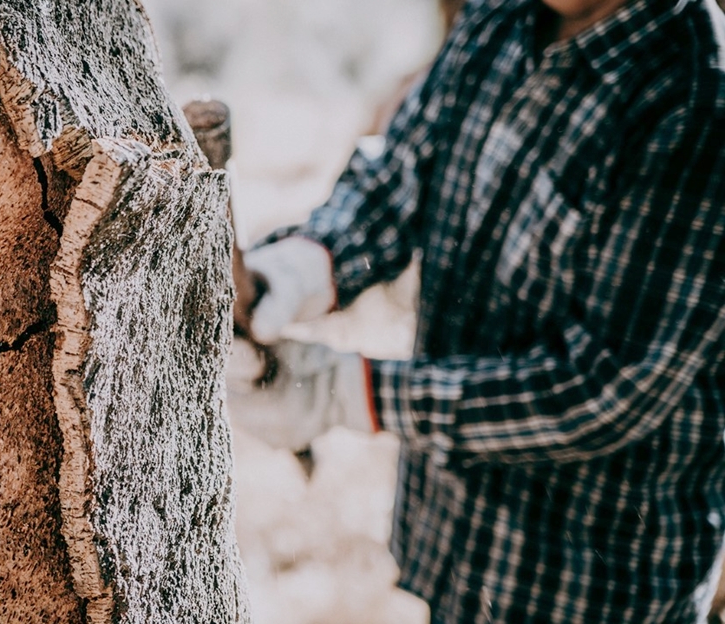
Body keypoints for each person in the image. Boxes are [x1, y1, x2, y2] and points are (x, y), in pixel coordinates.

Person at [229, 0, 725, 622]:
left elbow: (607, 387)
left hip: (593, 583)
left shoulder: (697, 98)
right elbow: (403, 174)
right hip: (459, 543)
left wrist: (349, 393)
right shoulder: (501, 13)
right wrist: (302, 269)